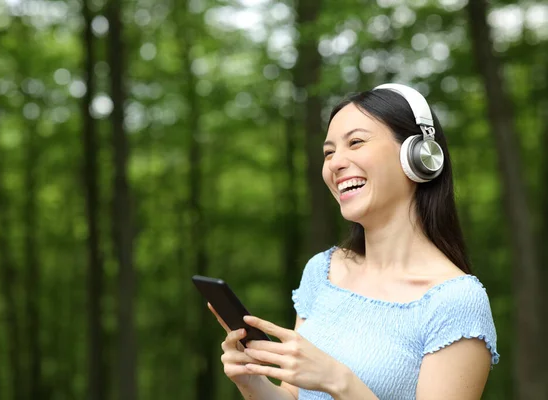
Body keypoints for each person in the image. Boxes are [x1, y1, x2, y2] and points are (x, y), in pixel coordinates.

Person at [207, 83, 499, 400]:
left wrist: (339, 381)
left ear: (419, 156)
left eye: (356, 142)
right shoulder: (322, 271)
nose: (335, 163)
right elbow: (294, 397)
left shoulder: (456, 302)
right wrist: (252, 383)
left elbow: (334, 382)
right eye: (329, 152)